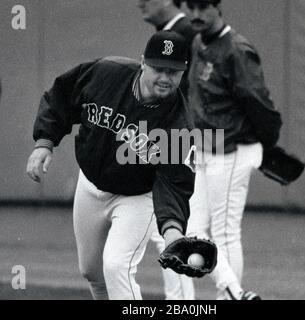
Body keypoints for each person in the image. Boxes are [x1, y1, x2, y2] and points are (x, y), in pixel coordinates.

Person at [26, 30, 196, 300]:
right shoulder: (108, 73)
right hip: (90, 185)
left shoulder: (179, 127)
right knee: (92, 272)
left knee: (117, 266)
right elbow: (62, 95)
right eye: (158, 69)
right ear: (143, 62)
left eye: (173, 72)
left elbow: (174, 184)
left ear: (184, 72)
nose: (165, 78)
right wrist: (45, 142)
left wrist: (173, 232)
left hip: (137, 198)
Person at [183, 0, 283, 300]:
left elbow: (259, 102)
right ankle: (235, 294)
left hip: (232, 149)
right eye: (192, 7)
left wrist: (263, 140)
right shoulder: (199, 41)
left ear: (217, 7)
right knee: (192, 229)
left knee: (225, 232)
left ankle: (229, 297)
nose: (197, 15)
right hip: (205, 147)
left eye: (203, 7)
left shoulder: (236, 49)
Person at [137, 0, 197, 300]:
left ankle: (226, 293)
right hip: (172, 139)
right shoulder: (171, 33)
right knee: (174, 229)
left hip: (184, 139)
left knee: (173, 225)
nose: (139, 3)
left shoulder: (186, 32)